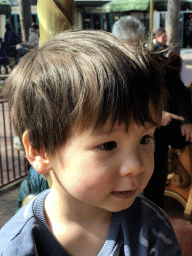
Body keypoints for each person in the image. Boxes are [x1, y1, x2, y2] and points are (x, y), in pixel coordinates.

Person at [0, 30, 182, 255]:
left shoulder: (153, 228)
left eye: (145, 138)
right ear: (40, 150)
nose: (136, 165)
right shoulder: (15, 246)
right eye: (108, 145)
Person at [112, 18, 192, 209]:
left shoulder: (155, 62)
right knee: (126, 195)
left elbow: (177, 89)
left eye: (137, 46)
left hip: (157, 142)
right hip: (122, 146)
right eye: (127, 47)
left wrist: (186, 120)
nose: (133, 53)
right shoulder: (108, 69)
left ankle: (153, 226)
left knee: (156, 191)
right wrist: (154, 116)